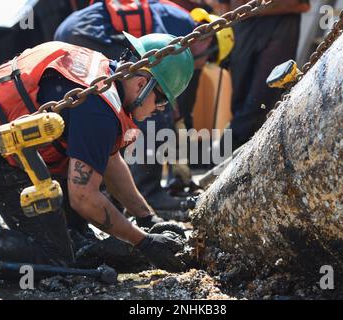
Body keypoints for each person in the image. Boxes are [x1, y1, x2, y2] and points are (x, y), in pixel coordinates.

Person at [0, 32, 194, 277]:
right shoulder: (99, 110)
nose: (161, 109)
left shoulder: (105, 76)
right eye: (162, 100)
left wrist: (147, 219)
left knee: (83, 246)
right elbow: (83, 198)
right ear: (142, 85)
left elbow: (110, 159)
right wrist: (145, 242)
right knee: (55, 259)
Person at [54, 0, 233, 211]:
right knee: (152, 105)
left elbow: (177, 105)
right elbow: (161, 83)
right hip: (89, 33)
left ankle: (112, 189)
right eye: (210, 59)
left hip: (73, 30)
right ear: (207, 40)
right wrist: (169, 114)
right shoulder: (182, 27)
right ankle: (150, 192)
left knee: (118, 107)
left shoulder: (176, 17)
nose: (204, 65)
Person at [216, 0, 310, 150]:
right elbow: (228, 6)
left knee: (262, 95)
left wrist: (253, 9)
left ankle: (232, 146)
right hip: (242, 27)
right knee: (240, 96)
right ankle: (233, 147)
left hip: (281, 26)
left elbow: (301, 4)